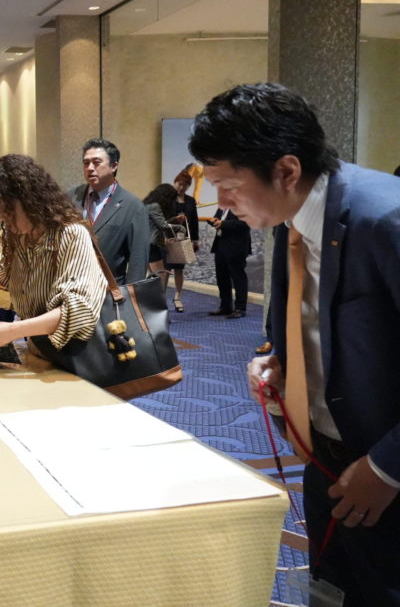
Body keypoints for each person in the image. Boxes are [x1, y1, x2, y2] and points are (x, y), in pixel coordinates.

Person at [190, 82, 400, 605]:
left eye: (228, 186)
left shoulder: (384, 218)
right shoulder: (291, 220)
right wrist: (277, 361)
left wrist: (387, 467)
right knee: (332, 590)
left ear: (285, 170)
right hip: (326, 459)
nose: (222, 203)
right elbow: (308, 324)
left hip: (385, 471)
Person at [0, 154, 107, 365]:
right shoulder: (20, 238)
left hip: (75, 358)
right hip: (40, 351)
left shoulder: (71, 234)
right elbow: (17, 297)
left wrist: (13, 330)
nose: (1, 215)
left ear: (29, 200)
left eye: (6, 207)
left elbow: (78, 313)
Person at [70, 138, 149, 284]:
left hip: (108, 291)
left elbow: (138, 263)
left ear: (114, 166)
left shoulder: (133, 207)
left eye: (96, 162)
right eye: (86, 163)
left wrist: (131, 295)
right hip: (69, 288)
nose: (90, 168)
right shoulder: (70, 198)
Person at [208, 205, 251, 319]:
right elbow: (218, 218)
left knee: (238, 278)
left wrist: (223, 223)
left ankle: (240, 308)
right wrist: (214, 221)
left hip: (237, 246)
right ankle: (225, 306)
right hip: (221, 244)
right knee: (221, 277)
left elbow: (245, 223)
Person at [169, 170, 200, 312]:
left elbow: (194, 222)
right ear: (175, 183)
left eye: (185, 185)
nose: (181, 187)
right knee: (165, 270)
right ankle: (161, 299)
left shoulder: (191, 201)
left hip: (183, 239)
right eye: (179, 184)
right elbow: (161, 218)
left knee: (179, 269)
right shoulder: (167, 198)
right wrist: (175, 219)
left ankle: (177, 297)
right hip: (167, 238)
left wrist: (195, 240)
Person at [141, 183, 178, 286]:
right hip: (152, 245)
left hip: (144, 244)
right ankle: (158, 297)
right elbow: (163, 225)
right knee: (160, 279)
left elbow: (157, 223)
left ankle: (152, 296)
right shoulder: (155, 206)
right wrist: (180, 227)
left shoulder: (147, 204)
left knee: (152, 278)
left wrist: (174, 219)